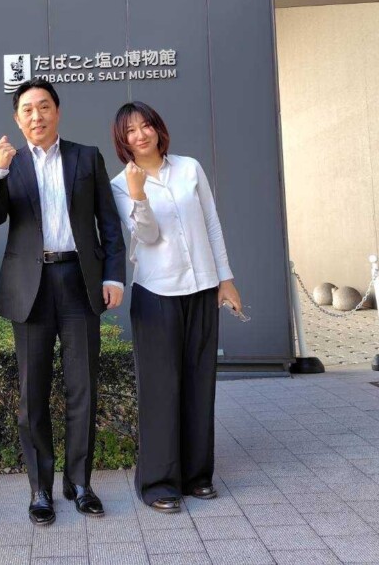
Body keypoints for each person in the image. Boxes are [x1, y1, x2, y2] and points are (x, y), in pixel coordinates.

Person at [0, 78, 126, 526]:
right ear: (17, 119)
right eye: (27, 109)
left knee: (83, 387)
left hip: (80, 281)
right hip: (31, 286)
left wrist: (114, 276)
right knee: (33, 392)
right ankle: (40, 488)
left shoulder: (86, 156)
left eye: (44, 106)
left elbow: (108, 222)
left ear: (57, 112)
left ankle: (79, 484)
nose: (36, 115)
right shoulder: (11, 164)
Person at [109, 101, 242, 512]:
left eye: (145, 126)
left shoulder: (189, 168)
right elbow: (147, 237)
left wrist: (225, 278)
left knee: (200, 383)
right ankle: (158, 483)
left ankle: (197, 475)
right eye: (130, 131)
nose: (140, 135)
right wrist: (138, 195)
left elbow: (212, 223)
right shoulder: (120, 184)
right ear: (122, 140)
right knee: (160, 390)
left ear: (158, 128)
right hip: (157, 294)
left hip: (202, 287)